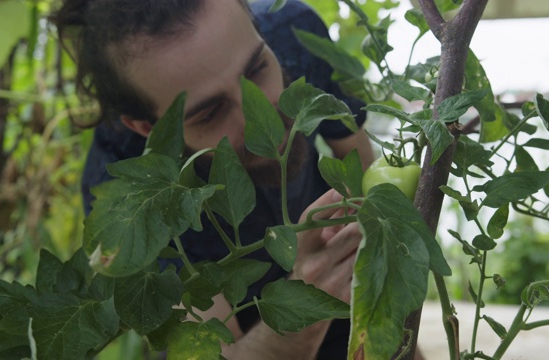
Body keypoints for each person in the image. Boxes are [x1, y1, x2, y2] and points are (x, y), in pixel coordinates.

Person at [50, 0, 381, 358]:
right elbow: (215, 353)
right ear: (148, 128)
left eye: (257, 68)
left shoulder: (295, 34)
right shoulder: (124, 203)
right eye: (210, 112)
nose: (260, 121)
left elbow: (357, 158)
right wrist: (305, 305)